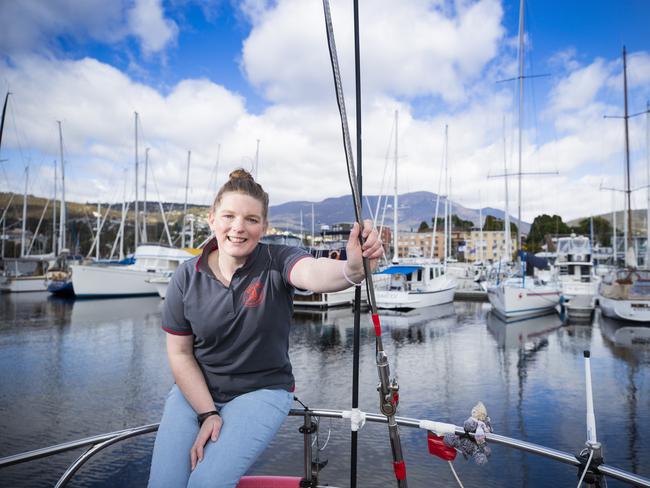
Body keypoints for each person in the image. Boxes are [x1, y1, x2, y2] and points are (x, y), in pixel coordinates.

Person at [148, 169, 383, 488]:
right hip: (195, 391)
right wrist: (207, 413)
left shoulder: (278, 259)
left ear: (264, 226)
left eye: (251, 220)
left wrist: (353, 268)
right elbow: (179, 354)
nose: (238, 228)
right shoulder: (186, 278)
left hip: (262, 390)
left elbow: (312, 273)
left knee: (207, 483)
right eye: (229, 216)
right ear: (212, 219)